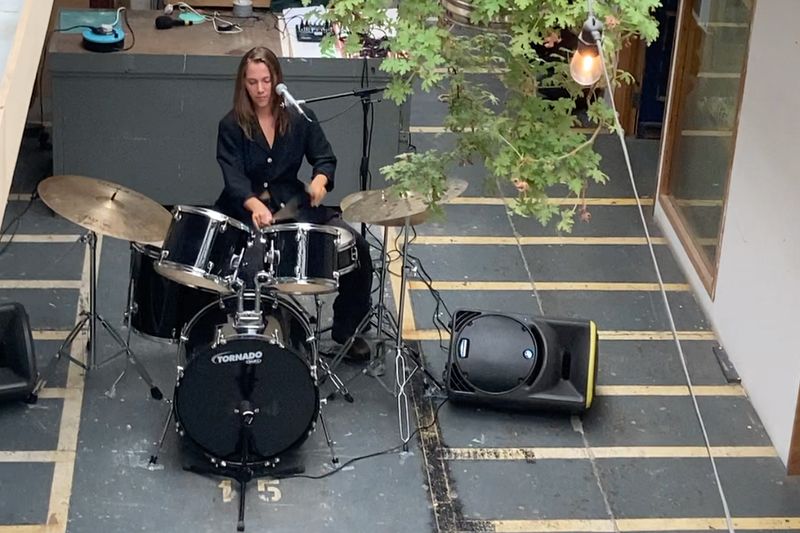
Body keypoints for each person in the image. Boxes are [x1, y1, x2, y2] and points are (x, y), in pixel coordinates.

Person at [214, 46, 372, 361]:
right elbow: (233, 177)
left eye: (266, 81)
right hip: (246, 212)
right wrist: (252, 204)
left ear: (277, 80)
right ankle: (255, 340)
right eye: (252, 82)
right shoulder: (231, 125)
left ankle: (347, 330)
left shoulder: (300, 117)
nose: (260, 89)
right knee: (252, 268)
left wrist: (319, 181)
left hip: (293, 203)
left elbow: (325, 158)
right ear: (242, 84)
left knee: (357, 249)